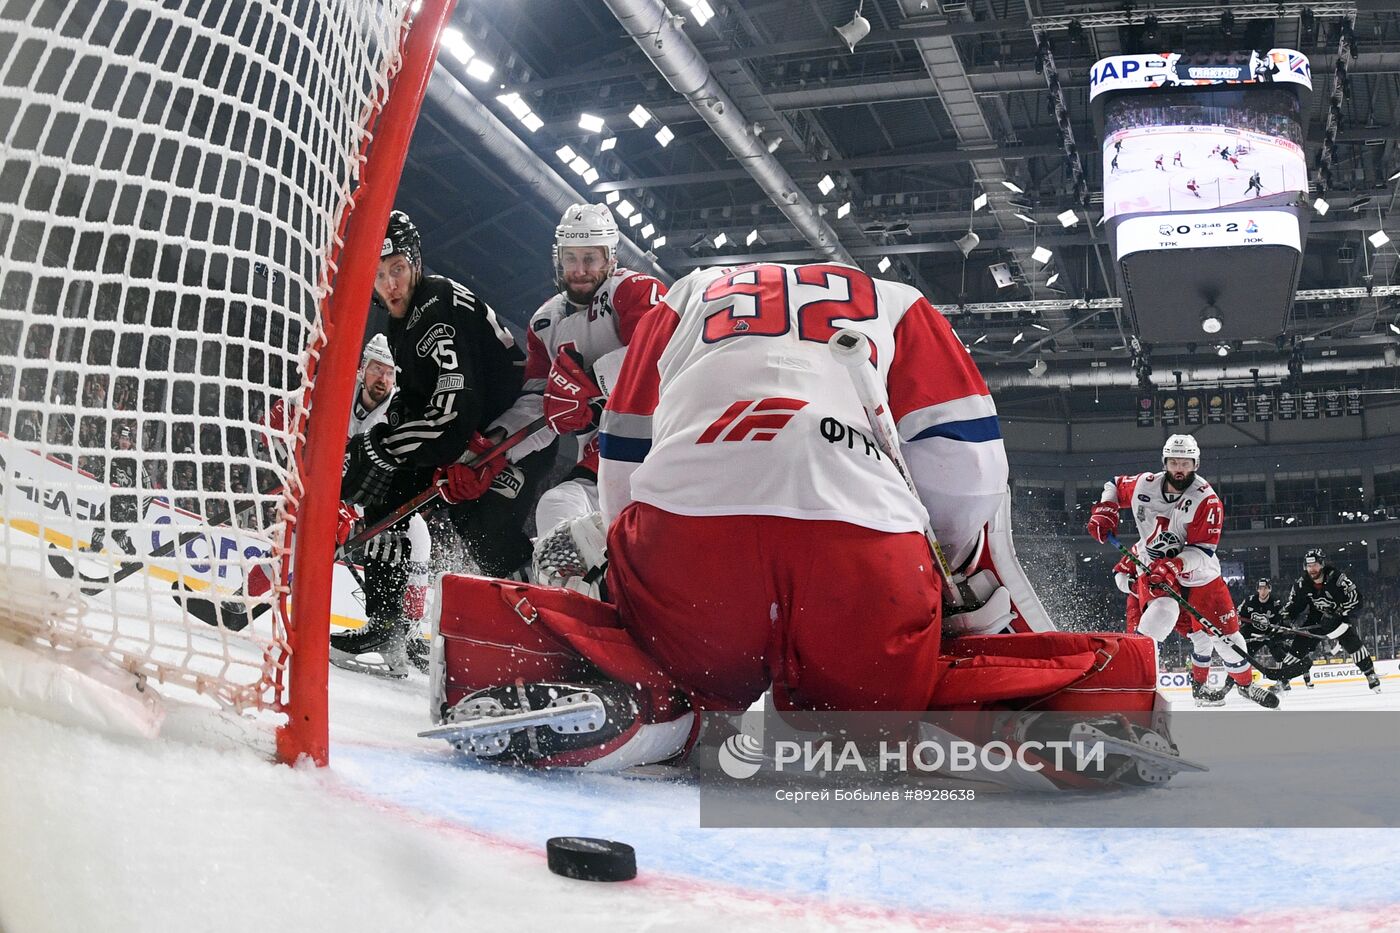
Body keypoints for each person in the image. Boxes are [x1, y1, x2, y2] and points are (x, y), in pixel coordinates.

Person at [337, 210, 556, 666]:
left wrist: (381, 446)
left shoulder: (436, 306)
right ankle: (388, 629)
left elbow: (453, 414)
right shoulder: (402, 323)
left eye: (396, 269)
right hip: (470, 441)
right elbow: (420, 401)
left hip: (510, 441)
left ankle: (548, 636)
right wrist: (390, 441)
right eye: (379, 276)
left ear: (415, 262)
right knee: (388, 501)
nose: (390, 284)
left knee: (484, 532)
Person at [482, 203, 666, 595]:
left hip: (664, 447)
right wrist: (496, 448)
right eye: (571, 259)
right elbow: (538, 403)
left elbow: (660, 351)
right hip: (604, 455)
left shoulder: (635, 290)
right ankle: (582, 603)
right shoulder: (543, 323)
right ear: (558, 260)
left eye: (590, 258)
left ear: (610, 259)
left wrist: (593, 382)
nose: (579, 270)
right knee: (557, 505)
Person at [1086, 434, 1276, 708]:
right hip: (1155, 571)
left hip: (1198, 574)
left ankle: (1245, 685)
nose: (1179, 468)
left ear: (1195, 464)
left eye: (1185, 463)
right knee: (1162, 613)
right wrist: (1106, 507)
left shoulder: (1207, 500)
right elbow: (1114, 484)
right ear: (1164, 462)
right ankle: (1130, 683)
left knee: (1226, 637)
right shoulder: (1145, 484)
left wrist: (1174, 565)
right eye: (1173, 462)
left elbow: (1202, 551)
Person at [329, 335, 435, 677]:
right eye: (377, 369)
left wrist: (352, 509)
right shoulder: (339, 394)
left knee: (416, 534)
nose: (384, 380)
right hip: (330, 494)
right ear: (362, 370)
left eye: (390, 373)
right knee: (299, 542)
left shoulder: (397, 411)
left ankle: (405, 631)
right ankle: (247, 598)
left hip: (369, 500)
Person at [1279, 549, 1381, 693]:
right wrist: (1286, 617)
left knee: (1352, 643)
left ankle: (1370, 674)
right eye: (1309, 566)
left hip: (1338, 618)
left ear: (1321, 564)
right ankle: (1282, 679)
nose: (1311, 569)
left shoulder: (1337, 578)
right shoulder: (1302, 584)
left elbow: (1356, 599)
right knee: (1299, 645)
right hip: (1316, 619)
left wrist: (1338, 613)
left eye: (1314, 565)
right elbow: (1294, 604)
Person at [1240, 577, 1312, 691]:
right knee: (1244, 657)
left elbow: (1282, 621)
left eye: (1265, 588)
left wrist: (1279, 630)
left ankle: (1284, 681)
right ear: (1257, 589)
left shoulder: (1275, 603)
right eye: (1260, 588)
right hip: (1253, 634)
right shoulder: (1249, 601)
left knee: (1281, 655)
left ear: (1269, 589)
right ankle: (1243, 684)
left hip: (1270, 635)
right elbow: (1239, 617)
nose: (1263, 591)